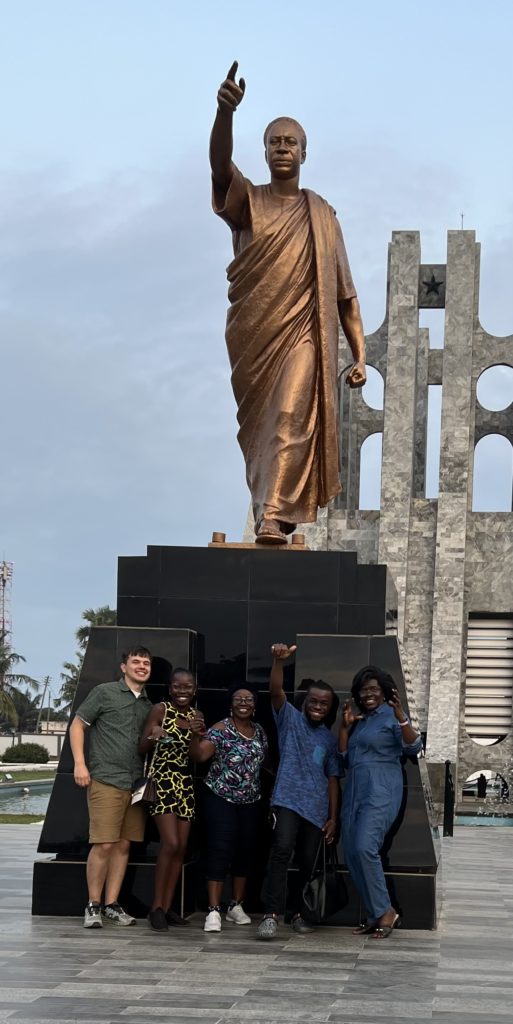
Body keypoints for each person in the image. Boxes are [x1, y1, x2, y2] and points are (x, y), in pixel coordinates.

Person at [211, 62, 366, 545]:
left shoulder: (321, 215)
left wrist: (360, 355)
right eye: (275, 140)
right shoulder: (248, 203)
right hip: (254, 338)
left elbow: (345, 293)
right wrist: (224, 115)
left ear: (304, 153)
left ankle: (274, 517)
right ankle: (265, 507)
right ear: (263, 151)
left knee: (289, 418)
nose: (282, 147)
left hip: (302, 334)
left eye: (290, 141)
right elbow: (219, 166)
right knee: (260, 433)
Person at [257, 643, 341, 940]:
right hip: (287, 802)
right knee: (280, 853)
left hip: (316, 810)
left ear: (330, 708)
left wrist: (333, 818)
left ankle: (298, 912)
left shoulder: (329, 741)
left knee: (307, 862)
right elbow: (276, 692)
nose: (318, 707)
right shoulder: (290, 719)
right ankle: (270, 914)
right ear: (305, 701)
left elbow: (333, 780)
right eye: (314, 702)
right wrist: (278, 662)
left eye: (324, 704)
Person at [70, 645, 153, 928]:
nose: (141, 666)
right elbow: (78, 725)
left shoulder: (148, 705)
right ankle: (92, 905)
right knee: (104, 843)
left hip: (135, 784)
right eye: (136, 662)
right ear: (124, 667)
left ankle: (111, 904)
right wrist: (80, 764)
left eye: (146, 663)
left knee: (123, 845)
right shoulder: (104, 692)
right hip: (105, 778)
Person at [339, 665, 422, 939]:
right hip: (354, 791)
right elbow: (346, 760)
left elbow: (414, 747)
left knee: (365, 847)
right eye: (363, 690)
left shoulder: (392, 715)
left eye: (373, 689)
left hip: (381, 788)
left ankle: (386, 911)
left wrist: (401, 717)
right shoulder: (361, 720)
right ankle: (376, 913)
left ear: (385, 691)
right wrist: (345, 728)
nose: (368, 694)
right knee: (351, 852)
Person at [189, 685, 267, 933]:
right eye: (238, 699)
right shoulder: (220, 729)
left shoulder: (260, 732)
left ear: (254, 706)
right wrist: (194, 736)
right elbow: (200, 756)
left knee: (245, 852)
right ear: (230, 705)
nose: (243, 702)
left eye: (248, 699)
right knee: (220, 849)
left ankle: (235, 906)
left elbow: (263, 764)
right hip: (220, 798)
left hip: (251, 800)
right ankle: (214, 911)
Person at [139, 667, 200, 931]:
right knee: (170, 843)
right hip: (163, 781)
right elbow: (141, 747)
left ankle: (168, 906)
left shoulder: (197, 715)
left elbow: (196, 755)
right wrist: (154, 736)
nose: (182, 691)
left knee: (181, 848)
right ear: (170, 688)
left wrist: (198, 734)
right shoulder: (161, 710)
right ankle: (156, 908)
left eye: (187, 687)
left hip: (185, 784)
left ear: (194, 689)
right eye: (177, 686)